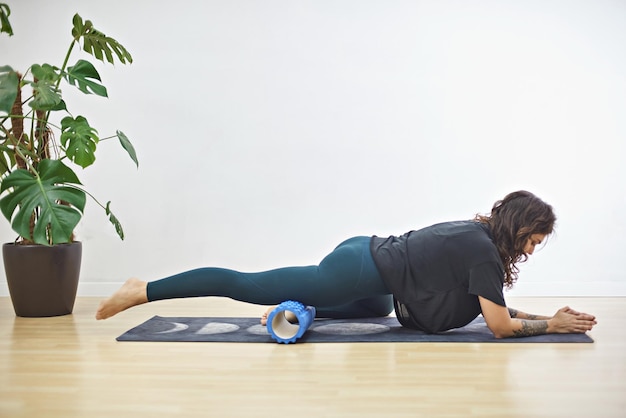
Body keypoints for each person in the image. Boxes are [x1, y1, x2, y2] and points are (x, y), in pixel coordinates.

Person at [96, 190, 596, 338]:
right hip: (357, 269)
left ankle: (300, 310)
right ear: (516, 228)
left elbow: (497, 309)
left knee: (376, 312)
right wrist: (549, 324)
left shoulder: (478, 238)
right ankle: (145, 289)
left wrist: (540, 317)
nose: (530, 250)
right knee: (246, 285)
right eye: (531, 240)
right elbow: (500, 326)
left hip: (369, 260)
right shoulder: (484, 252)